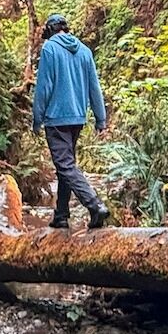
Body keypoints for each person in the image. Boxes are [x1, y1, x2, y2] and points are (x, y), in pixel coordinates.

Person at [31, 13, 111, 230]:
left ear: (50, 31)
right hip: (77, 118)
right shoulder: (85, 51)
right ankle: (61, 215)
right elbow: (94, 87)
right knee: (65, 167)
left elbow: (44, 87)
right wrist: (100, 119)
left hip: (56, 118)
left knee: (65, 166)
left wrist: (37, 118)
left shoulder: (49, 49)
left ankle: (94, 205)